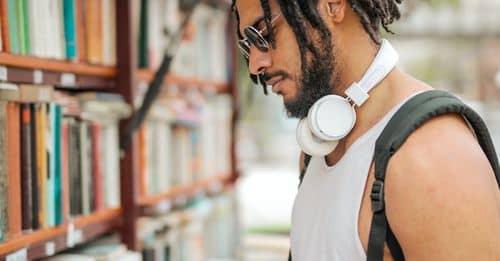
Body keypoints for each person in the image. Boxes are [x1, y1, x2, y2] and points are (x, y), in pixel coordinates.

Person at [232, 0, 500, 260]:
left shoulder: (433, 157)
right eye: (248, 46)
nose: (255, 63)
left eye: (263, 33)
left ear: (333, 5)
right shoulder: (317, 148)